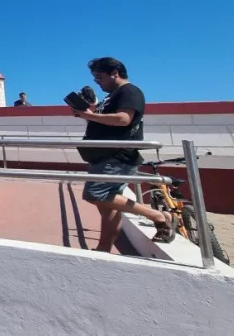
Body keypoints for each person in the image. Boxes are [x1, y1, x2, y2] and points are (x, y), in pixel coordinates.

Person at [73, 57, 176, 252]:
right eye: (95, 78)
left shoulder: (129, 91)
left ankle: (158, 216)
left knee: (95, 195)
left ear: (114, 73)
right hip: (102, 155)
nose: (97, 82)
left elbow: (123, 119)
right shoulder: (111, 96)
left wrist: (90, 115)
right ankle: (104, 249)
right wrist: (88, 113)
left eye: (99, 77)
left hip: (116, 156)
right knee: (108, 207)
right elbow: (104, 123)